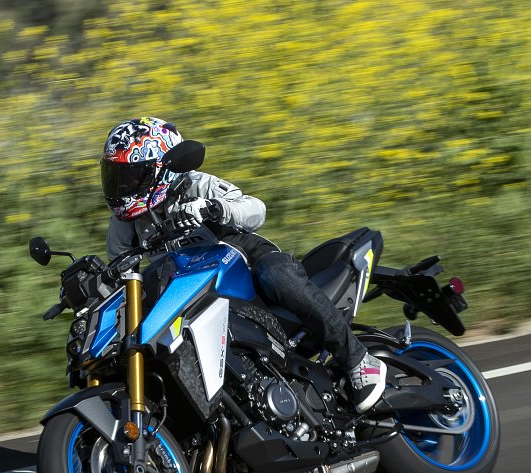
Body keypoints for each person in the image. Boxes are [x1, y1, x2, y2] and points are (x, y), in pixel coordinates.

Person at [99, 117, 386, 413]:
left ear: (160, 170)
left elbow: (255, 210)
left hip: (240, 258)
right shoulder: (125, 223)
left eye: (131, 177)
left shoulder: (198, 184)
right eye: (117, 177)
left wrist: (215, 208)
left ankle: (358, 359)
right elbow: (121, 269)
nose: (123, 186)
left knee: (276, 274)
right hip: (186, 285)